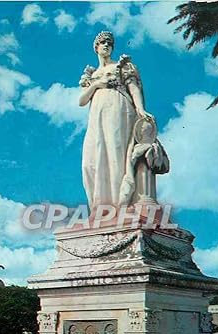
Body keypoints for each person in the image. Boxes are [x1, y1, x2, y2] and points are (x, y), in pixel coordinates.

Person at [79, 31, 149, 211]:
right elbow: (81, 101)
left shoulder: (122, 66)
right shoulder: (92, 74)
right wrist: (95, 84)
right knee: (90, 161)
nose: (106, 45)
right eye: (103, 42)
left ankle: (119, 204)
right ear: (96, 47)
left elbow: (134, 89)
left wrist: (140, 109)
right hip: (96, 115)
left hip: (118, 108)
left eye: (109, 43)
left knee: (115, 152)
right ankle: (99, 207)